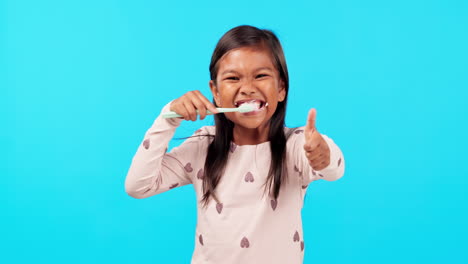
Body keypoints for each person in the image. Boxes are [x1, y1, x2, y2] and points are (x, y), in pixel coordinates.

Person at [125, 25, 345, 264]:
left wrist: (322, 154)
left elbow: (334, 169)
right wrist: (168, 117)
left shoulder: (296, 145)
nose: (248, 88)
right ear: (216, 93)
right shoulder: (202, 146)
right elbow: (138, 186)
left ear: (281, 88)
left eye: (260, 76)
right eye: (232, 78)